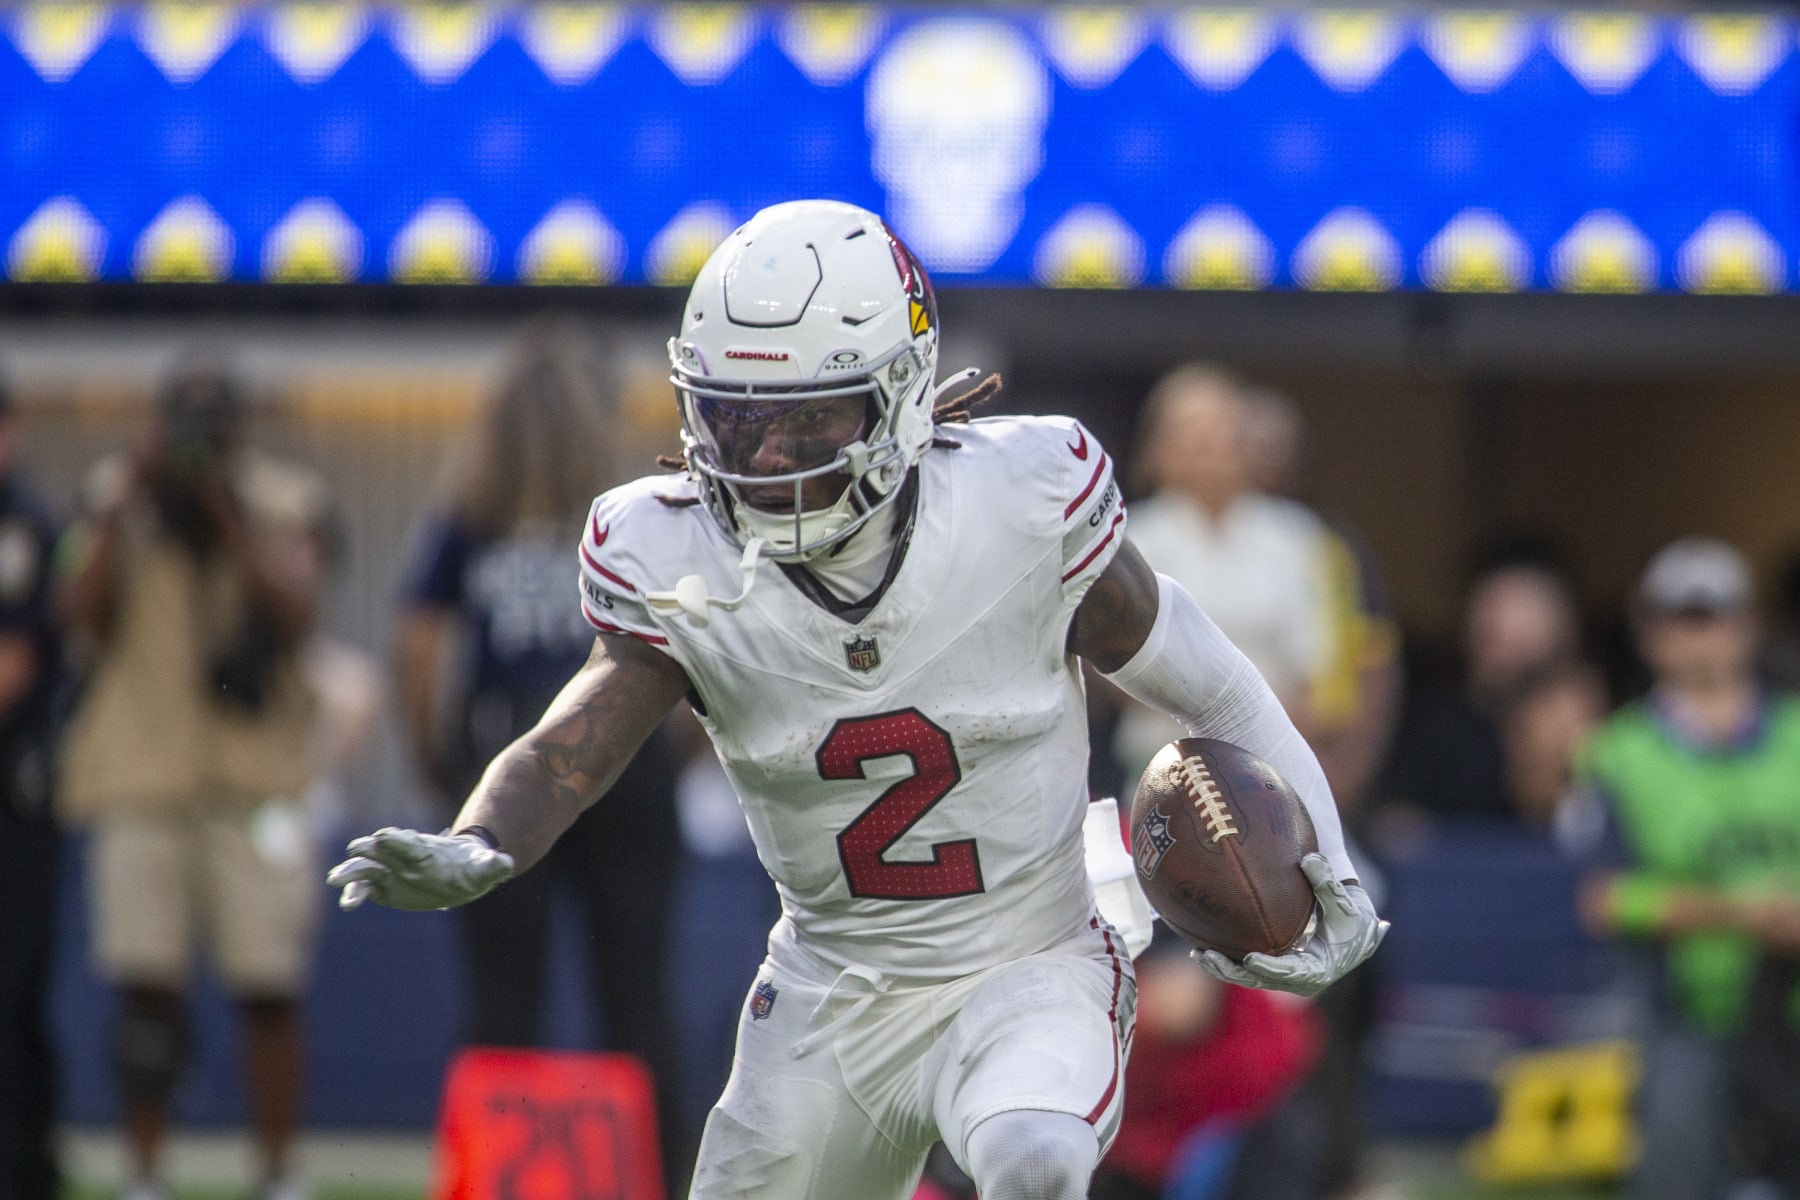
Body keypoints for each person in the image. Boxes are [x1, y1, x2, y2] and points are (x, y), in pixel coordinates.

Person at [328, 200, 1386, 1200]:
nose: (769, 460)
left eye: (808, 421)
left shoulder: (1021, 504)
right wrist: (483, 839)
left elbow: (1215, 687)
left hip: (1030, 952)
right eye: (738, 424)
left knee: (1032, 1152)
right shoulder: (675, 550)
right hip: (833, 979)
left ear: (903, 396)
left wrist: (1326, 867)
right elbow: (569, 746)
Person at [395, 325, 686, 1173]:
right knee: (637, 998)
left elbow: (418, 642)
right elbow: (700, 638)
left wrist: (437, 762)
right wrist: (681, 753)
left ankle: (497, 1178)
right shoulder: (640, 515)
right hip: (628, 759)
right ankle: (657, 1179)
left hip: (505, 762)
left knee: (501, 1000)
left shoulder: (471, 514)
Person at [56, 364, 328, 1200]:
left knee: (269, 985)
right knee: (144, 991)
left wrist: (228, 518)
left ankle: (277, 1172)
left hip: (253, 788)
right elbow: (76, 615)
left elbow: (301, 612)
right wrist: (124, 503)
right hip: (141, 781)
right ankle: (146, 1172)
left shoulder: (284, 501)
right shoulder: (111, 500)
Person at [1579, 537, 1800, 1200]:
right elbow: (1603, 897)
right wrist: (1744, 915)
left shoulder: (1796, 734)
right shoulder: (1618, 751)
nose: (1700, 636)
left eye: (1716, 615)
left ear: (1749, 627)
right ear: (1647, 633)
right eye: (1682, 617)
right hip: (1685, 1014)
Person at [0, 380, 66, 1200]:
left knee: (12, 996)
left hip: (15, 800)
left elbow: (13, 664)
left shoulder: (23, 526)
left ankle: (23, 1168)